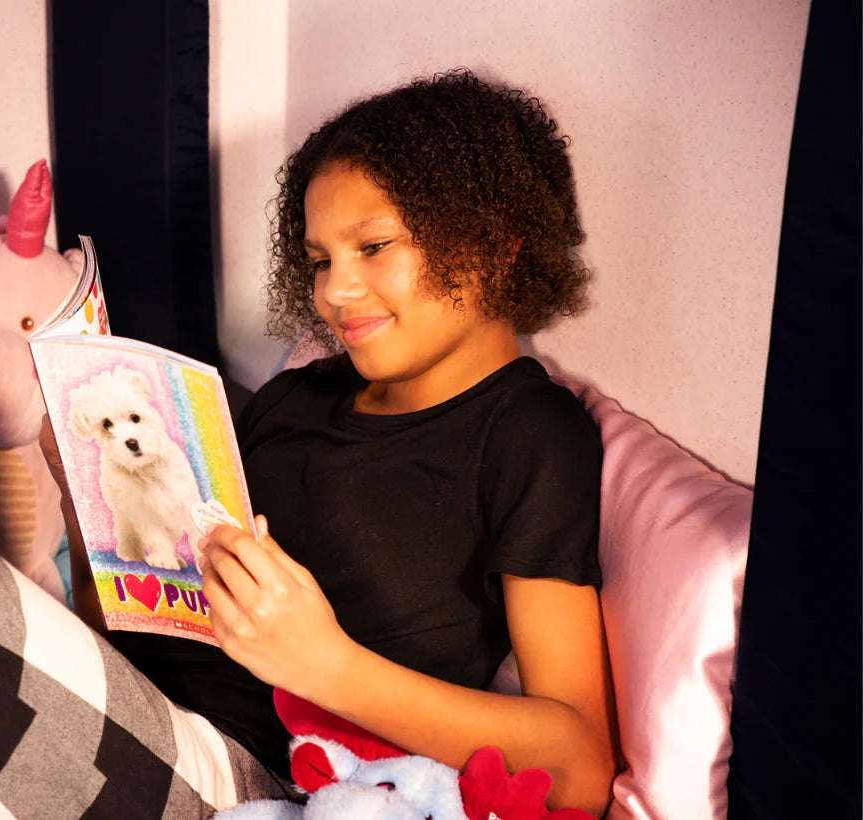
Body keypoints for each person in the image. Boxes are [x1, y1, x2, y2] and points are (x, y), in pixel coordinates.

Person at [59, 68, 620, 816]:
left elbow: (579, 762)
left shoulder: (529, 434)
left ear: (496, 246)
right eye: (322, 260)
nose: (333, 292)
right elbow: (147, 609)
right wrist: (83, 502)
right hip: (121, 687)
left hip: (243, 770)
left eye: (373, 247)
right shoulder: (303, 394)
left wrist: (328, 667)